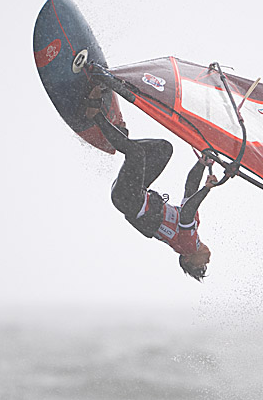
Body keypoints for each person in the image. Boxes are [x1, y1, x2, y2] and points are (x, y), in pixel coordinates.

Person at [84, 85, 216, 281]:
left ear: (187, 259)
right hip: (136, 193)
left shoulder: (188, 245)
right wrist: (201, 164)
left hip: (129, 199)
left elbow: (187, 212)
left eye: (201, 264)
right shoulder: (193, 228)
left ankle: (95, 114)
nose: (208, 260)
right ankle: (118, 137)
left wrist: (206, 189)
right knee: (164, 149)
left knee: (136, 154)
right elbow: (190, 188)